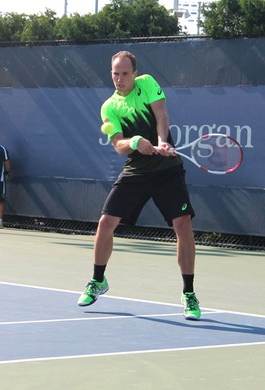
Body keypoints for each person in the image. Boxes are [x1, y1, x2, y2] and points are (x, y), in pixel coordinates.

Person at [77, 51, 201, 320]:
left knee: (183, 224)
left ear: (134, 73)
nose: (119, 79)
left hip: (168, 171)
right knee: (105, 223)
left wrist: (162, 141)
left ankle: (189, 293)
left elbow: (161, 115)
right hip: (136, 170)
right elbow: (119, 146)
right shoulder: (109, 107)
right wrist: (135, 142)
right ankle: (98, 280)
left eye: (124, 73)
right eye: (114, 74)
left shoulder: (147, 83)